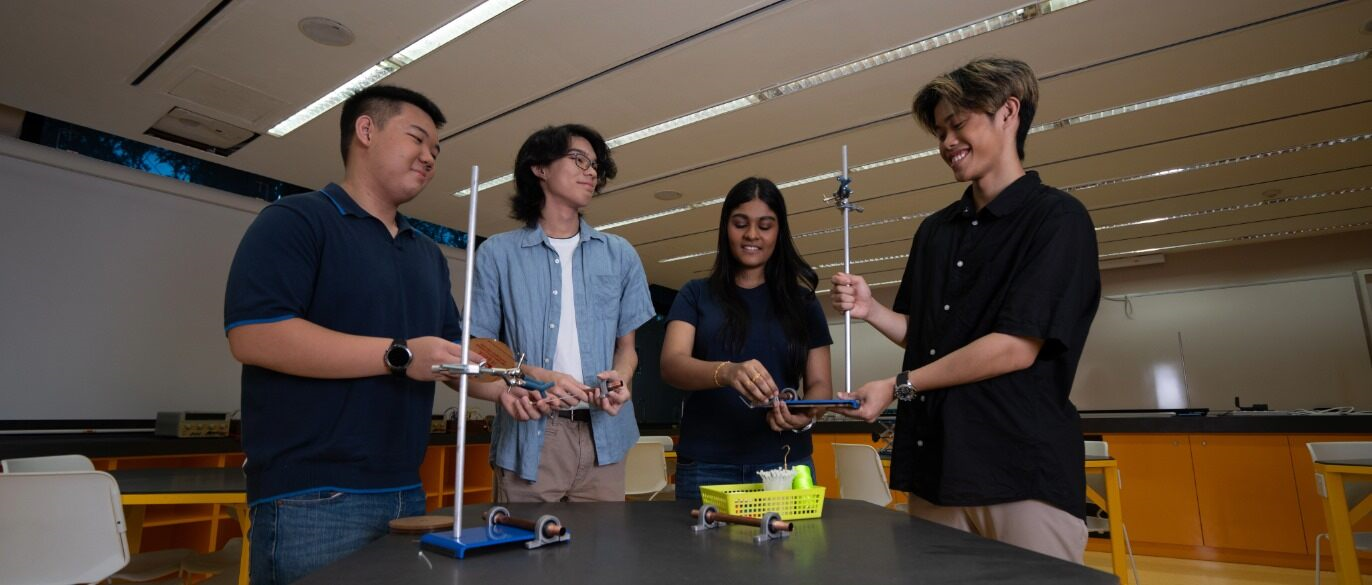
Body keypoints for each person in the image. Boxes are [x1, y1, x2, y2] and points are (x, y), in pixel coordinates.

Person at [830, 57, 1101, 563]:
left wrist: (898, 386)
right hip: (937, 471)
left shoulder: (1057, 219)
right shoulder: (935, 231)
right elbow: (926, 335)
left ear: (1008, 113)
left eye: (959, 124)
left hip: (1021, 475)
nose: (947, 142)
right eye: (939, 131)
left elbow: (1015, 347)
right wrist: (873, 311)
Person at [224, 85, 479, 585]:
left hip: (407, 492)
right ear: (366, 130)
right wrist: (400, 355)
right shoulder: (296, 221)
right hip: (311, 499)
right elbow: (255, 335)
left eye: (436, 151)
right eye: (417, 139)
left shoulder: (426, 253)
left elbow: (452, 355)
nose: (429, 157)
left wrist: (524, 381)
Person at [468, 123, 655, 502]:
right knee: (527, 557)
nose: (591, 171)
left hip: (606, 437)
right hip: (531, 436)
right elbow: (477, 352)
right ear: (539, 168)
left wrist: (621, 378)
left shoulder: (619, 254)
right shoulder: (498, 254)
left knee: (602, 559)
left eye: (595, 165)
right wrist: (532, 377)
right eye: (578, 159)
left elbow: (627, 349)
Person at [660, 177, 833, 503]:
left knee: (790, 554)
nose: (752, 235)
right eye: (741, 224)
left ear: (779, 232)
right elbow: (672, 364)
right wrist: (726, 371)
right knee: (694, 556)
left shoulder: (803, 302)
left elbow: (821, 385)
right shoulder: (696, 295)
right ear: (726, 228)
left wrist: (806, 414)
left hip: (785, 465)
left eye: (765, 226)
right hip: (706, 466)